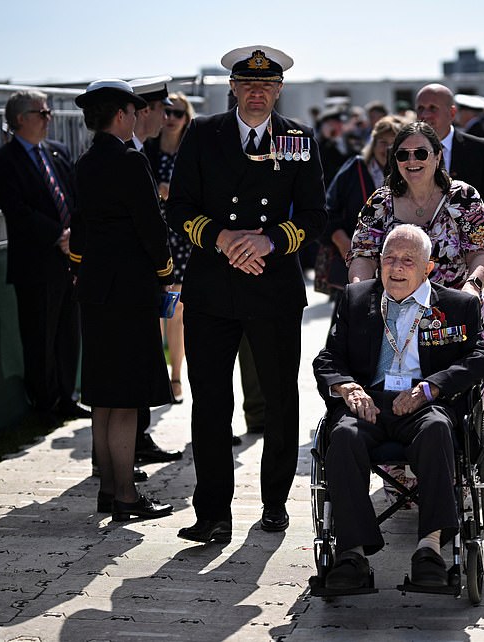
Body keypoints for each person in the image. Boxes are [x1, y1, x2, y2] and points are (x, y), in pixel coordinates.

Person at [165, 46, 327, 541]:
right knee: (211, 402)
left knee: (279, 401)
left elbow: (314, 215)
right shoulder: (202, 133)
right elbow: (180, 206)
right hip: (214, 286)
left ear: (279, 90)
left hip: (272, 286)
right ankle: (212, 512)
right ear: (232, 88)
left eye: (267, 85)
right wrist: (222, 239)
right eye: (247, 84)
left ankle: (274, 502)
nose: (257, 93)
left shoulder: (297, 138)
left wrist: (268, 240)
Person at [313, 225, 484, 590]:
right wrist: (348, 388)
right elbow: (327, 358)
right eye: (389, 259)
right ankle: (352, 553)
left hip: (426, 401)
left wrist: (432, 387)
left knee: (437, 431)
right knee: (343, 436)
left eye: (407, 261)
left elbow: (480, 357)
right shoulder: (357, 298)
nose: (396, 268)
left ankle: (430, 548)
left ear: (427, 268)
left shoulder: (458, 305)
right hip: (369, 402)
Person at [70, 80, 174, 521]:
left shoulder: (84, 163)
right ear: (120, 116)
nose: (137, 117)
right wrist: (167, 271)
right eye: (133, 111)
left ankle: (110, 489)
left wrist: (81, 265)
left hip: (94, 287)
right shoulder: (131, 161)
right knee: (127, 396)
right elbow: (151, 227)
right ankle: (127, 497)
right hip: (129, 290)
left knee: (104, 395)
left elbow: (79, 230)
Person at [347, 121, 484, 351]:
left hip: (460, 308)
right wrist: (361, 293)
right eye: (402, 155)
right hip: (397, 312)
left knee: (459, 382)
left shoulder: (463, 197)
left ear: (437, 156)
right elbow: (362, 255)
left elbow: (482, 252)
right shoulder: (380, 202)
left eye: (420, 153)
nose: (412, 161)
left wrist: (471, 288)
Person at [0, 91, 89, 424]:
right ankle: (45, 404)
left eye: (48, 112)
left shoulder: (57, 152)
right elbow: (17, 211)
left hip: (68, 260)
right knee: (40, 336)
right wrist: (58, 236)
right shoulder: (3, 161)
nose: (48, 117)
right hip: (36, 264)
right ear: (20, 119)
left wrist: (75, 235)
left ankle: (66, 397)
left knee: (68, 334)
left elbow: (74, 198)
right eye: (41, 112)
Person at [125, 76, 184, 466]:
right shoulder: (130, 155)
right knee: (130, 365)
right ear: (143, 111)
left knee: (142, 357)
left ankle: (134, 441)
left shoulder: (136, 150)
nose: (167, 117)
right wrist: (165, 269)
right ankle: (122, 454)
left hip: (143, 273)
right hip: (131, 278)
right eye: (162, 109)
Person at [415, 84, 484, 285]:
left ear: (452, 113)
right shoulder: (403, 154)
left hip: (470, 274)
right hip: (417, 275)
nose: (425, 115)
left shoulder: (481, 151)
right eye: (420, 108)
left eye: (433, 108)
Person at [144, 91, 196, 402]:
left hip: (184, 237)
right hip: (154, 235)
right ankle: (161, 375)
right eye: (168, 113)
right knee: (158, 310)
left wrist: (173, 192)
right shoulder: (147, 150)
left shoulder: (191, 150)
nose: (172, 119)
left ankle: (175, 377)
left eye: (179, 113)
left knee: (177, 311)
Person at [322, 115, 408, 296]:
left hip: (400, 268)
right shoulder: (356, 168)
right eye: (382, 142)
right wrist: (343, 243)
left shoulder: (411, 173)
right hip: (356, 264)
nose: (387, 149)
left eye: (393, 143)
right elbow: (327, 210)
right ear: (373, 143)